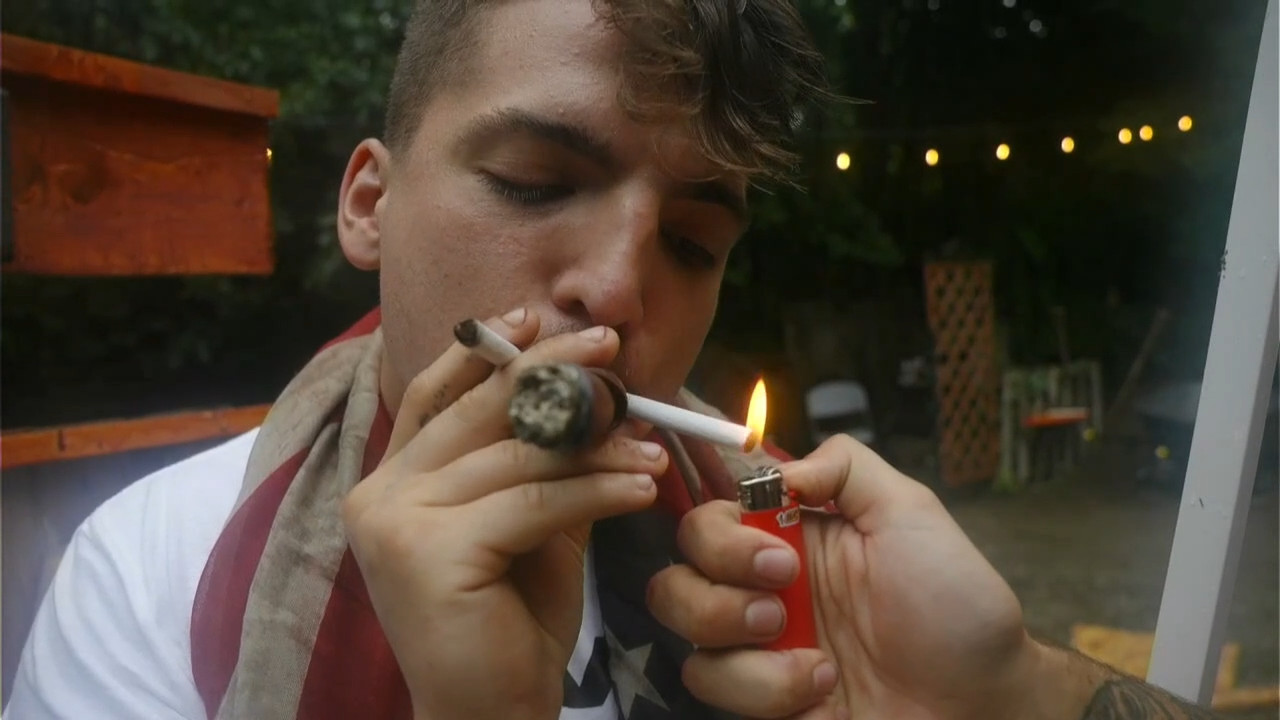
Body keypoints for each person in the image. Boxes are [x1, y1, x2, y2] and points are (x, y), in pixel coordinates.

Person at [5, 1, 1227, 719]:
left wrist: (1006, 694)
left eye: (690, 245)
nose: (619, 288)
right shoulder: (150, 574)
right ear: (370, 204)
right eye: (535, 183)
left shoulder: (775, 587)